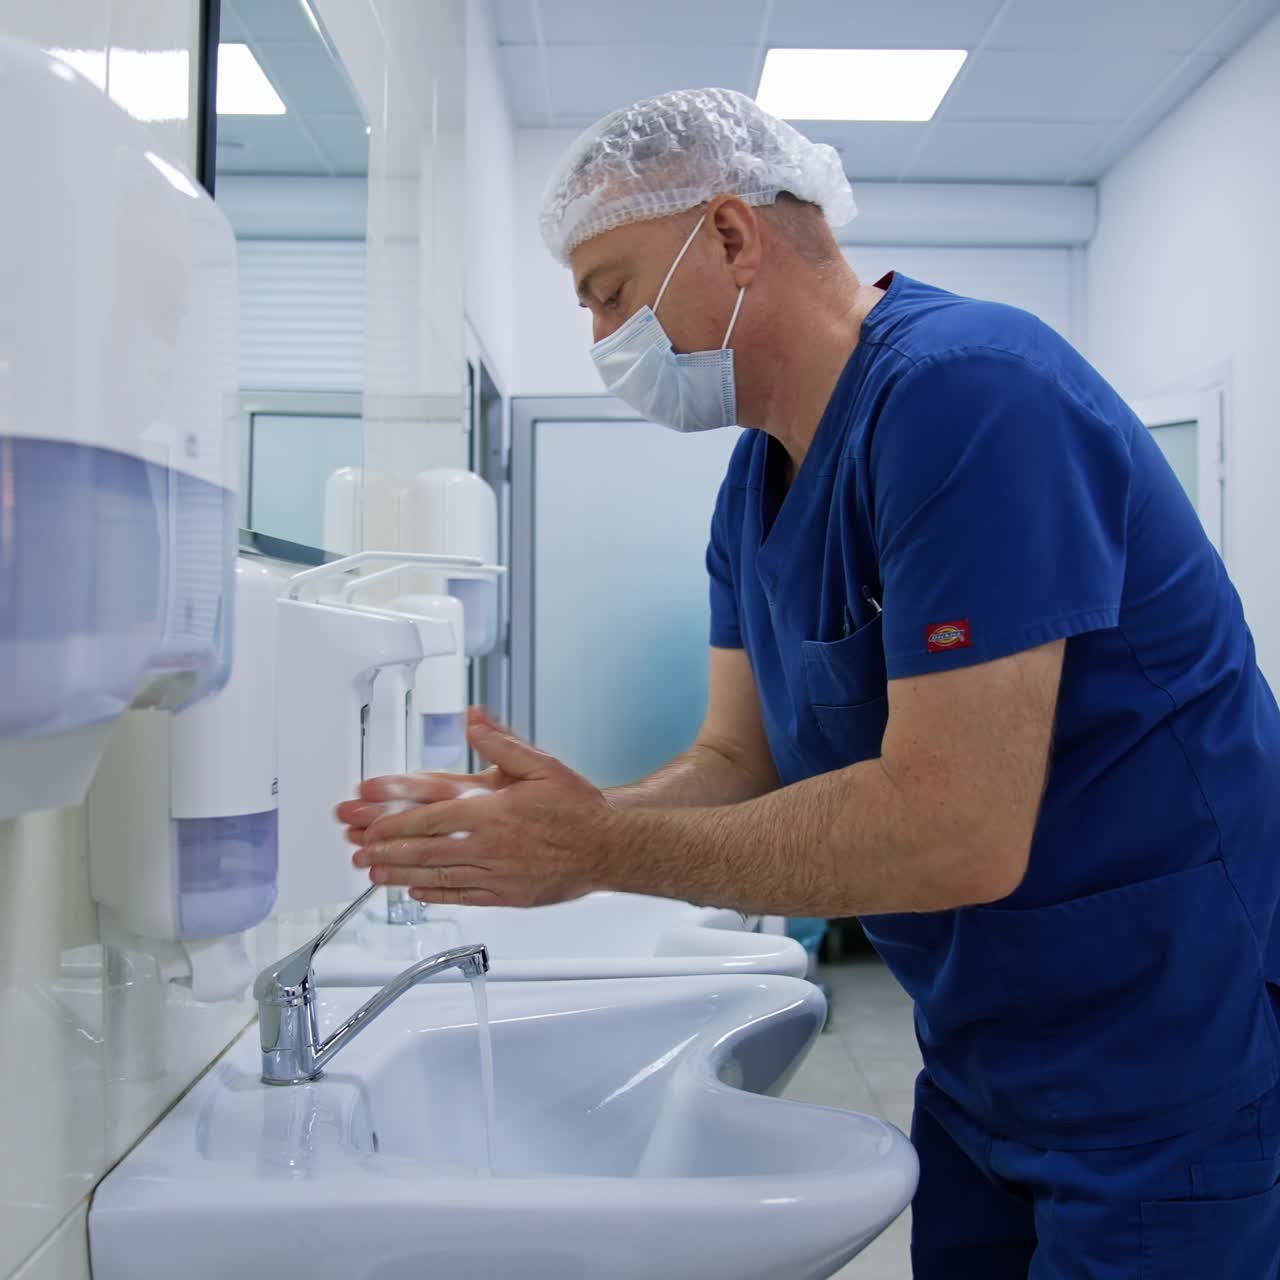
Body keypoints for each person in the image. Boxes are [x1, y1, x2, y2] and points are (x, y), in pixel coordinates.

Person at [337, 88, 1280, 1277]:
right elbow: (737, 763)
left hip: (1167, 1049)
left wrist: (595, 853)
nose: (600, 344)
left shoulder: (968, 392)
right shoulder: (754, 485)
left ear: (729, 236)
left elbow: (955, 830)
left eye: (611, 293)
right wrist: (557, 826)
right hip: (988, 1055)